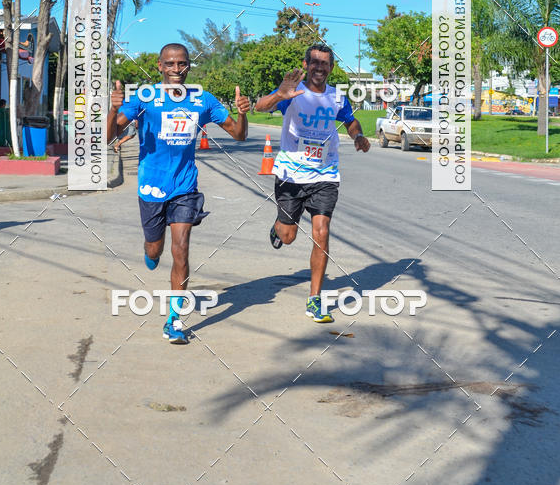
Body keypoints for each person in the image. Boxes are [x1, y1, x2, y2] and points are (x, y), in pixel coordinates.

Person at [107, 43, 250, 344]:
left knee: (181, 248)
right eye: (170, 64)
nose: (176, 70)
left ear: (188, 67)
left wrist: (243, 114)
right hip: (152, 187)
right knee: (154, 250)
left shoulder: (203, 100)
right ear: (159, 66)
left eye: (181, 64)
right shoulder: (145, 98)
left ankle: (173, 320)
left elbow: (238, 134)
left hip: (185, 186)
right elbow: (110, 137)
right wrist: (113, 108)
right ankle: (150, 252)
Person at [255, 43, 370, 323]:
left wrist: (357, 136)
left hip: (325, 174)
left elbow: (350, 121)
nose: (320, 67)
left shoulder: (338, 97)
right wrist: (278, 95)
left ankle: (315, 299)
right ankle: (278, 226)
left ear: (331, 68)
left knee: (322, 231)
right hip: (291, 176)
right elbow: (260, 107)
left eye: (325, 63)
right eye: (315, 63)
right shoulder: (293, 93)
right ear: (306, 65)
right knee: (288, 236)